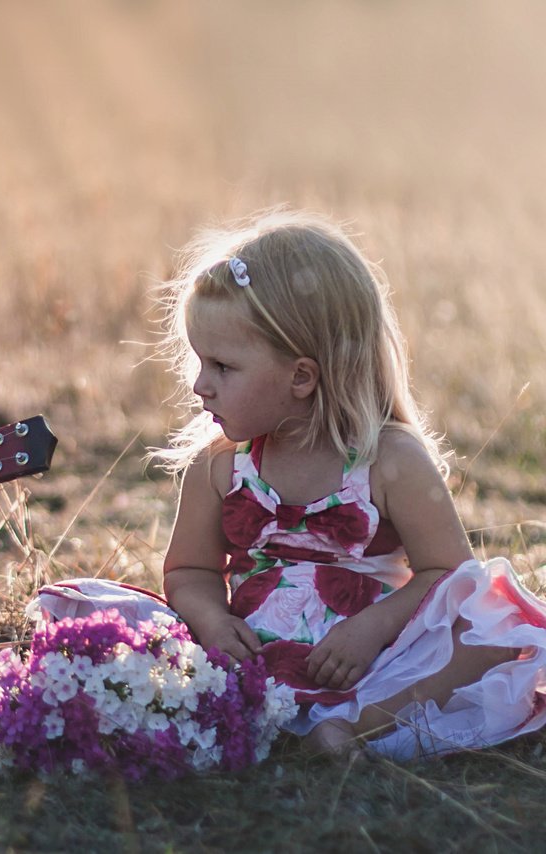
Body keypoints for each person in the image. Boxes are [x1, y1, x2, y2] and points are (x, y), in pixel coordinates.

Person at [34, 210, 546, 760]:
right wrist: (211, 622)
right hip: (247, 662)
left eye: (223, 367)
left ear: (301, 376)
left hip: (372, 662)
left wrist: (372, 627)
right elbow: (190, 569)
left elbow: (449, 576)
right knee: (93, 614)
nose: (199, 385)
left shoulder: (389, 461)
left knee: (491, 623)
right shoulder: (222, 467)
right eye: (198, 362)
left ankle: (356, 728)